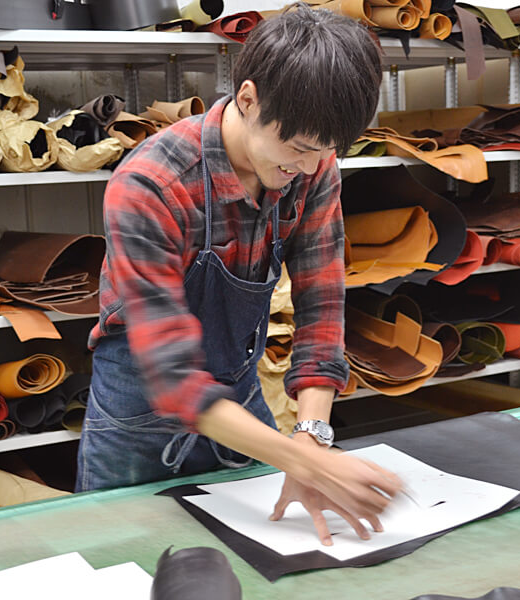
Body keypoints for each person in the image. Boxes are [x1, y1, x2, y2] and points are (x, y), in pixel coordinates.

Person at [76, 3, 401, 546]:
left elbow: (322, 307)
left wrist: (311, 439)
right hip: (140, 410)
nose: (308, 166)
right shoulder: (151, 185)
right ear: (248, 100)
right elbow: (173, 379)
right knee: (123, 561)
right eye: (298, 148)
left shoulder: (313, 165)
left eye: (325, 151)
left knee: (267, 555)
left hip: (238, 392)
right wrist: (307, 463)